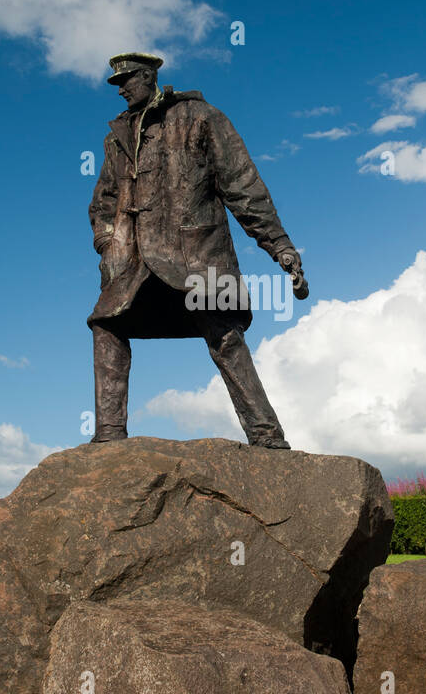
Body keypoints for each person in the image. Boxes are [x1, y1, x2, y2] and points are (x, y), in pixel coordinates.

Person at [87, 52, 308, 447]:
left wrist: (280, 246)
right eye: (116, 84)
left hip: (197, 253)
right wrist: (108, 243)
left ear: (150, 75)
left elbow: (243, 187)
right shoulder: (116, 137)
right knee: (107, 323)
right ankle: (109, 437)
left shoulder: (201, 117)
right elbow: (103, 199)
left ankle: (267, 435)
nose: (121, 89)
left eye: (128, 80)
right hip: (135, 262)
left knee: (223, 335)